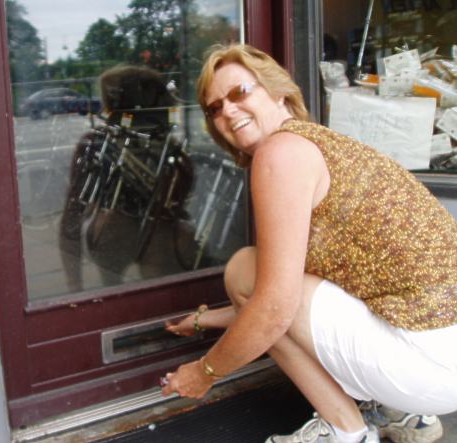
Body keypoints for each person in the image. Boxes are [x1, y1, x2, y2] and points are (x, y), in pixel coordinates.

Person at [161, 43, 457, 443]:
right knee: (269, 281)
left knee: (244, 270)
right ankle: (400, 414)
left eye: (239, 93)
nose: (227, 111)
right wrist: (205, 319)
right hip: (440, 352)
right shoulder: (320, 142)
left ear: (278, 92)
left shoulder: (281, 153)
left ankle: (347, 431)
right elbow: (300, 300)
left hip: (428, 363)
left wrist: (204, 372)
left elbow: (275, 309)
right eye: (214, 107)